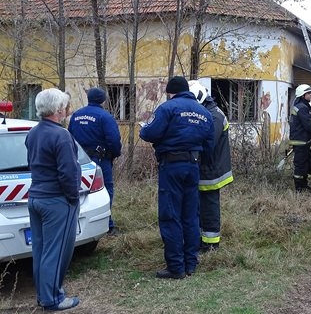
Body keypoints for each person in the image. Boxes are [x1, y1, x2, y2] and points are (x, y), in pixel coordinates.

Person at [139, 76, 214, 279]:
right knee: (191, 216)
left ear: (171, 92)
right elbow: (210, 146)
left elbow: (150, 133)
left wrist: (143, 129)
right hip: (193, 166)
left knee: (170, 215)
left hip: (172, 166)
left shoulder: (168, 108)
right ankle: (191, 263)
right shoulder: (204, 113)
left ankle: (175, 267)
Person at [25, 88, 81, 311]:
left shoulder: (33, 133)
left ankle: (43, 295)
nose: (67, 110)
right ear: (58, 110)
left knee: (41, 250)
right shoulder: (61, 135)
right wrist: (73, 197)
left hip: (36, 197)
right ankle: (52, 299)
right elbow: (68, 172)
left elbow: (33, 163)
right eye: (65, 106)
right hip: (56, 201)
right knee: (56, 252)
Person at [68, 87, 122, 236]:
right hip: (100, 159)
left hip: (79, 160)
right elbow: (114, 140)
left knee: (81, 191)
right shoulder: (105, 117)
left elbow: (69, 137)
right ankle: (107, 224)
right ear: (103, 100)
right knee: (104, 191)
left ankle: (80, 222)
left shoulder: (76, 115)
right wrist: (114, 154)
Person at [188, 80, 233, 253]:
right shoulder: (209, 111)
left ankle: (211, 243)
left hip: (212, 170)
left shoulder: (214, 116)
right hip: (206, 168)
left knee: (209, 207)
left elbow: (208, 143)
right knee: (201, 206)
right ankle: (202, 239)